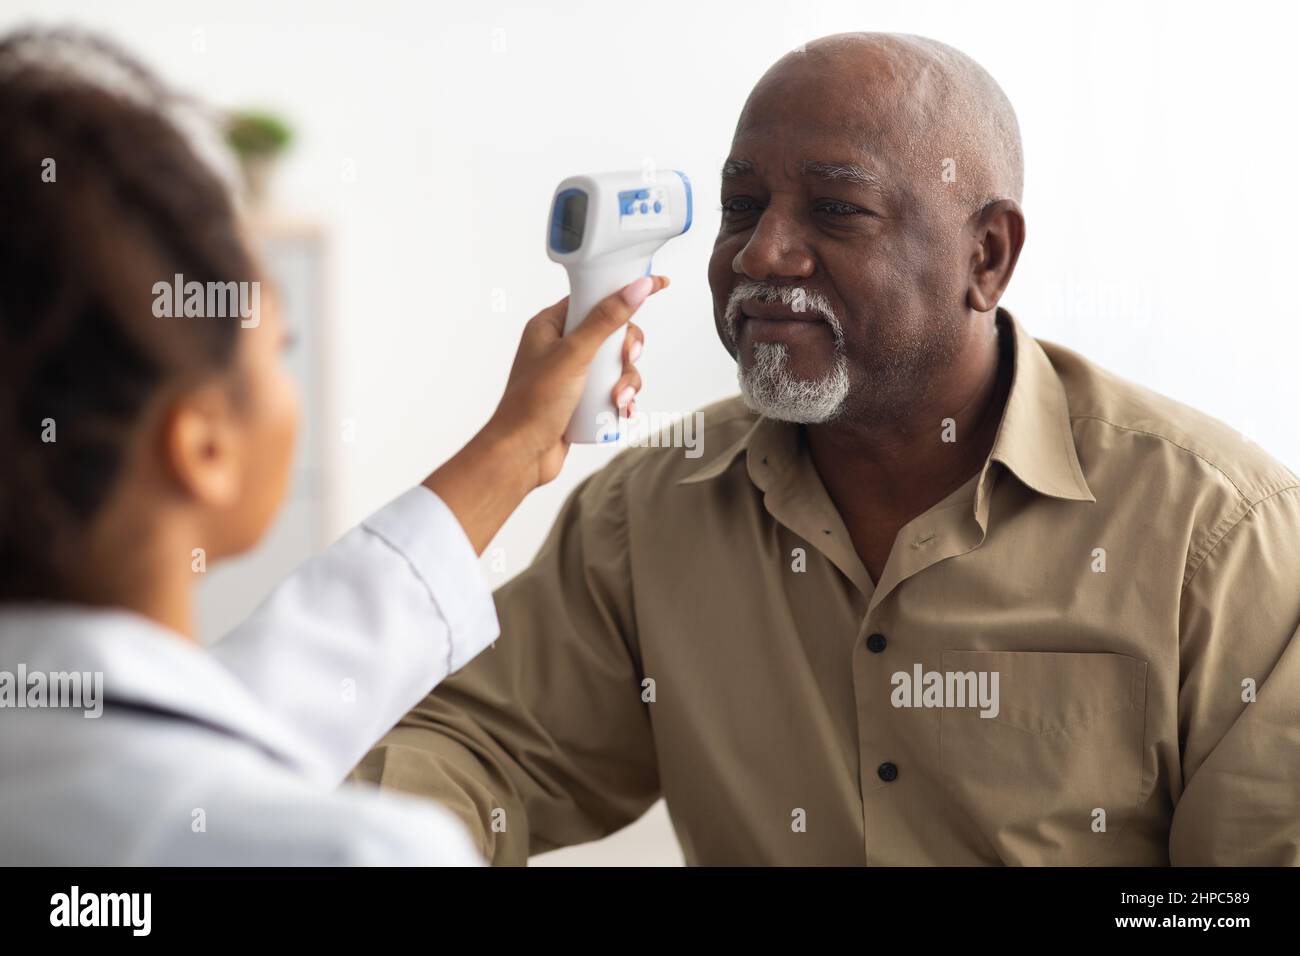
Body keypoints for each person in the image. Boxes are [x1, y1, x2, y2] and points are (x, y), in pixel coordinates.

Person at [355, 32, 1300, 866]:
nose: (762, 254)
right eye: (741, 206)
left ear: (987, 257)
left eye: (836, 211)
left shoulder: (1220, 535)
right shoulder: (649, 513)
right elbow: (484, 751)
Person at [0, 28, 667, 865]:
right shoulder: (360, 853)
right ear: (204, 446)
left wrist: (515, 446)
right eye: (281, 347)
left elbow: (251, 705)